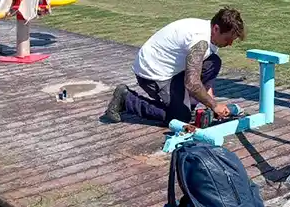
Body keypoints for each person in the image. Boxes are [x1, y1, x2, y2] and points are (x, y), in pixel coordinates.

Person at [101, 7, 246, 125]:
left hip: (172, 70)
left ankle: (187, 105)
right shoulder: (200, 41)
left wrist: (212, 103)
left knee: (213, 62)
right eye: (228, 39)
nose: (230, 44)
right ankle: (126, 99)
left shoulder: (210, 35)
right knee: (180, 118)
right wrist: (214, 105)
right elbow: (192, 83)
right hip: (153, 74)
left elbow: (203, 77)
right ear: (216, 28)